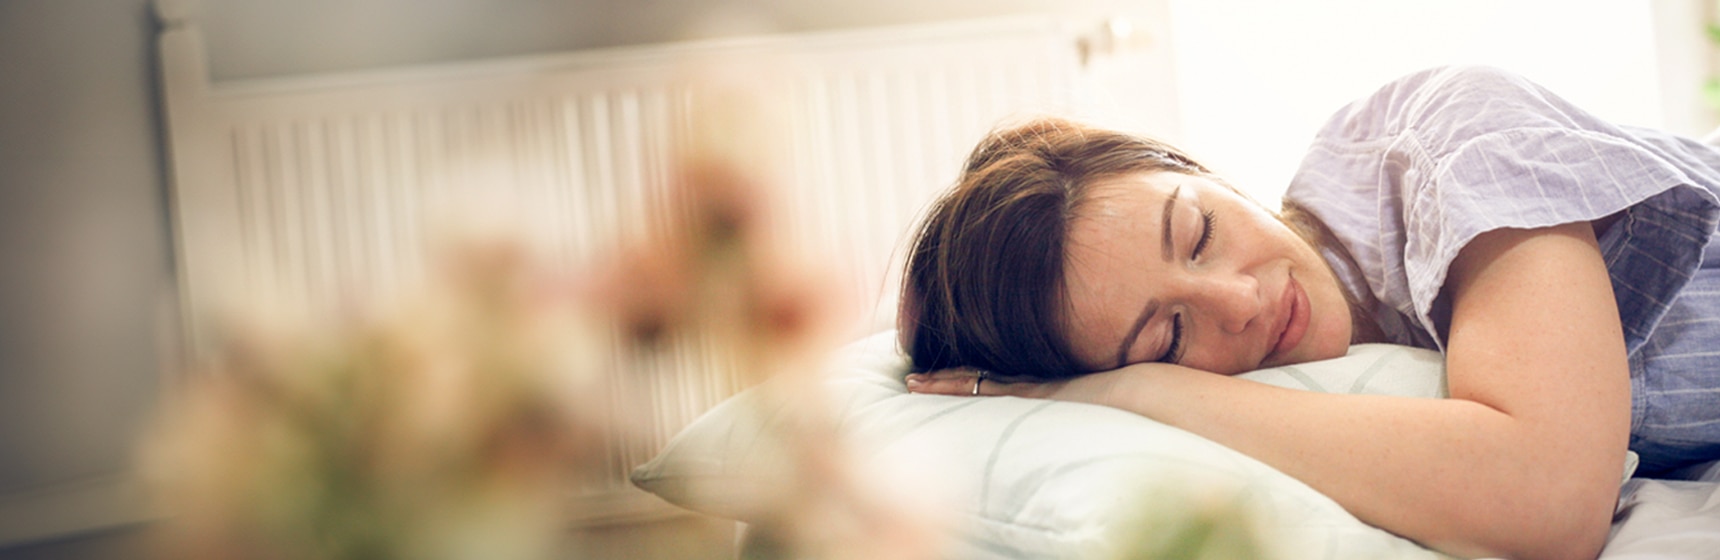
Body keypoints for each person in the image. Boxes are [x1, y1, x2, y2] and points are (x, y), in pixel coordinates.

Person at [896, 65, 1720, 560]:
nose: (1240, 299)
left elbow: (1550, 500)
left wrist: (1144, 388)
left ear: (1197, 167)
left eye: (1200, 232)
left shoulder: (1447, 142)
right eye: (1169, 337)